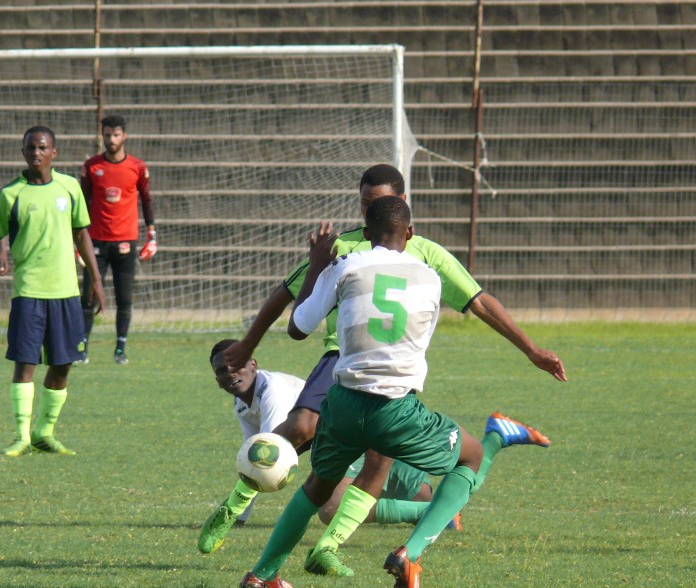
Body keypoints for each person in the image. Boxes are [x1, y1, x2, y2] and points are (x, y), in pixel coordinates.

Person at [215, 163, 566, 564]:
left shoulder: (422, 256)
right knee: (300, 430)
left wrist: (531, 349)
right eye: (365, 203)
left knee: (354, 476)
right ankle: (234, 506)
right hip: (344, 361)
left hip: (384, 380)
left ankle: (318, 551)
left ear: (402, 203)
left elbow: (479, 301)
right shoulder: (349, 250)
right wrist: (248, 343)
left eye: (378, 203)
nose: (370, 210)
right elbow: (285, 292)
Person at [240, 199, 490, 588]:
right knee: (471, 456)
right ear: (410, 234)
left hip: (343, 402)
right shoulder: (429, 277)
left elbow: (298, 327)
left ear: (367, 233)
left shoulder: (345, 265)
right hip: (397, 408)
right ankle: (410, 553)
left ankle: (262, 573)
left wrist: (318, 265)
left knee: (317, 487)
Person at [198, 338, 434, 554]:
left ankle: (430, 512)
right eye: (221, 371)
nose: (230, 374)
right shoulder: (241, 405)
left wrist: (234, 510)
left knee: (332, 507)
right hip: (347, 436)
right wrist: (241, 517)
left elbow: (269, 454)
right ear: (216, 380)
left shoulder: (272, 390)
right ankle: (433, 511)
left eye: (235, 365)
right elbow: (251, 460)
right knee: (412, 497)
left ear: (252, 364)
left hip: (352, 430)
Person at [0, 125, 107, 456]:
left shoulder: (69, 188)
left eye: (42, 147)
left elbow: (82, 234)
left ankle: (44, 432)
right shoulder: (11, 194)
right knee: (25, 362)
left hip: (65, 291)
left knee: (64, 363)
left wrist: (95, 279)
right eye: (30, 147)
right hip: (29, 291)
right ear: (23, 152)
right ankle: (21, 436)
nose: (36, 152)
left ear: (54, 152)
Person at [78, 114, 156, 365]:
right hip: (95, 242)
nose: (111, 139)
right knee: (88, 296)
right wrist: (77, 241)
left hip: (125, 242)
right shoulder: (91, 166)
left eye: (116, 135)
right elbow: (82, 203)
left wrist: (152, 235)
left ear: (124, 136)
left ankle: (120, 349)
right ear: (102, 136)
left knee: (124, 298)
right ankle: (81, 348)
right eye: (108, 135)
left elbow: (146, 200)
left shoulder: (138, 167)